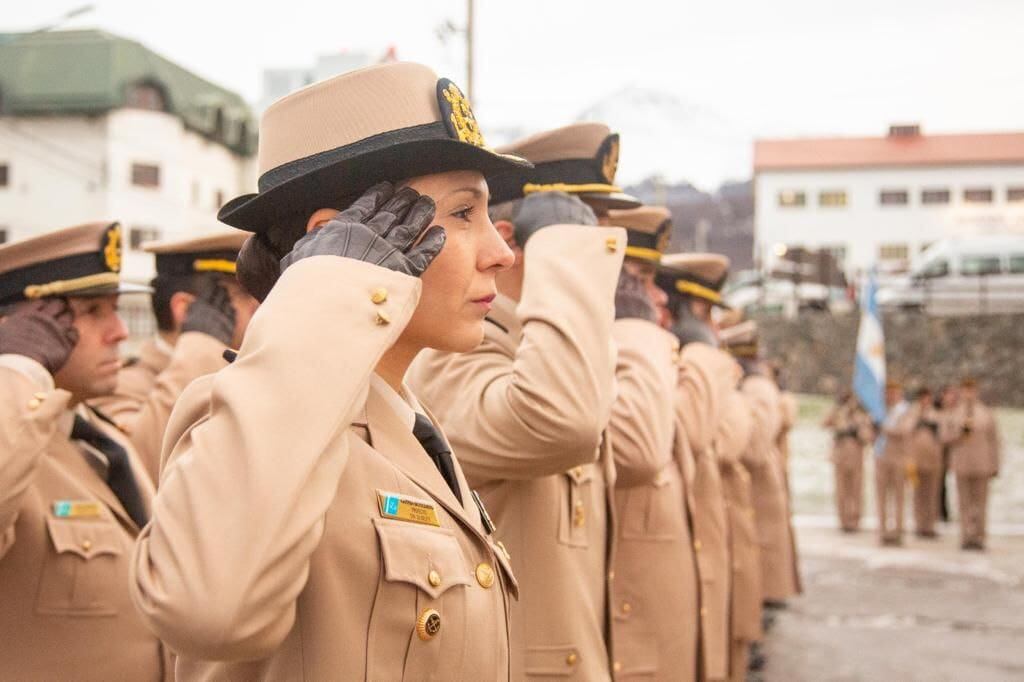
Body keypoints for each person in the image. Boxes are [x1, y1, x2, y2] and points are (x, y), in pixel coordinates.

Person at [130, 62, 532, 680]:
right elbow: (209, 608)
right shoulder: (238, 415)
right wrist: (328, 291)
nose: (500, 254)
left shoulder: (411, 431)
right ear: (340, 243)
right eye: (461, 214)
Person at [407, 122, 635, 680]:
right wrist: (567, 260)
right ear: (514, 243)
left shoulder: (553, 352)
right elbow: (562, 423)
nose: (607, 260)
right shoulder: (451, 358)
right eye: (587, 238)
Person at [0, 221, 169, 679]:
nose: (118, 331)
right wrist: (17, 369)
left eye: (115, 309)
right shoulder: (14, 444)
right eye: (93, 311)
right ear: (22, 329)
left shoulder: (98, 437)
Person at [603, 207, 700, 680]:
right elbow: (641, 451)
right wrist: (635, 329)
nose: (658, 296)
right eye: (640, 278)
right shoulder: (626, 348)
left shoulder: (636, 351)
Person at [91, 230, 257, 483]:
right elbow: (143, 468)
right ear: (186, 310)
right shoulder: (117, 384)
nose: (258, 306)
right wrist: (200, 346)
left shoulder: (245, 378)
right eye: (242, 295)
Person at [658, 251, 742, 682]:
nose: (712, 328)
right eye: (704, 314)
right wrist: (703, 354)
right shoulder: (659, 362)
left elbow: (732, 438)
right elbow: (701, 434)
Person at [947, 377, 1001, 550]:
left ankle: (979, 536)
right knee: (963, 503)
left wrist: (995, 464)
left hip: (982, 464)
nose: (968, 394)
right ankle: (965, 536)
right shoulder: (955, 413)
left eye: (971, 390)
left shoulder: (985, 413)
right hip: (962, 464)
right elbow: (946, 438)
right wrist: (959, 432)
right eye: (965, 390)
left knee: (980, 503)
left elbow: (994, 441)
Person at [822, 390, 873, 532]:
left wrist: (858, 424)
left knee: (856, 490)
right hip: (840, 456)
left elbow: (867, 437)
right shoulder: (839, 413)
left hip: (856, 456)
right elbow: (824, 423)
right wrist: (839, 411)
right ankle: (843, 520)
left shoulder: (862, 416)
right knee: (841, 490)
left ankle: (855, 520)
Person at [874, 380, 914, 546]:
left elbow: (904, 430)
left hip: (898, 458)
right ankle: (883, 531)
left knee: (898, 497)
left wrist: (883, 428)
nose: (889, 396)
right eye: (887, 392)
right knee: (881, 497)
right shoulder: (880, 412)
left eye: (893, 392)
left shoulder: (905, 411)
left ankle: (898, 532)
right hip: (881, 458)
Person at [907, 387, 943, 538]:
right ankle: (919, 524)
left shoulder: (936, 414)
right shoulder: (911, 414)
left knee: (932, 494)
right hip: (915, 460)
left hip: (933, 460)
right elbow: (907, 430)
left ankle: (930, 525)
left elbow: (943, 433)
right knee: (918, 494)